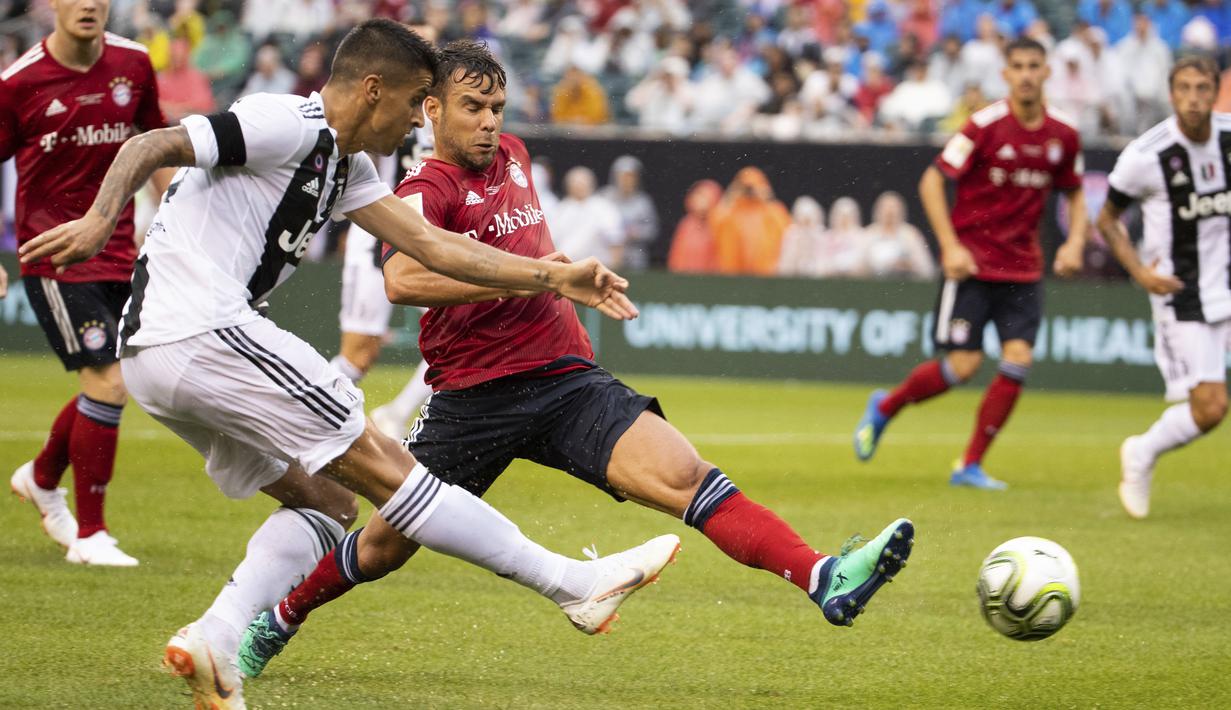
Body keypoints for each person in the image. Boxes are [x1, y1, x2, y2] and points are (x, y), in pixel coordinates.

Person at [19, 21, 673, 709]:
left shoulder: (348, 166)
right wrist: (101, 220)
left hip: (157, 355)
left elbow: (433, 247)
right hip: (200, 330)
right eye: (416, 100)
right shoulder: (285, 122)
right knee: (391, 470)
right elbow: (152, 142)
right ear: (373, 89)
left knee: (329, 503)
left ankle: (216, 635)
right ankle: (572, 584)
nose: (419, 119)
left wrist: (550, 276)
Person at [236, 39, 915, 681]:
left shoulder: (515, 155)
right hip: (472, 398)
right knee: (383, 546)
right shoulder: (426, 188)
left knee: (689, 476)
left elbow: (526, 248)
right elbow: (404, 280)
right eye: (472, 107)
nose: (489, 122)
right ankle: (280, 618)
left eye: (497, 108)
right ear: (432, 109)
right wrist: (533, 279)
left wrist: (556, 272)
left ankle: (823, 576)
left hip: (564, 377)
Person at [853, 37, 1088, 489]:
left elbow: (1075, 192)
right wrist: (950, 246)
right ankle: (885, 406)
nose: (1026, 74)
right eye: (1018, 66)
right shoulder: (983, 126)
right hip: (973, 266)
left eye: (1034, 66)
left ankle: (969, 464)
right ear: (1005, 74)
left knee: (1018, 359)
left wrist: (1075, 242)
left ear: (1046, 72)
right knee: (962, 366)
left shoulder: (1064, 134)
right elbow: (931, 181)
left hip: (1023, 268)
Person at [3, 0, 169, 566]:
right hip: (53, 258)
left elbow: (159, 146)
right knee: (109, 382)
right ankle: (91, 535)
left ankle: (41, 477)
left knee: (121, 380)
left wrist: (182, 221)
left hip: (121, 254)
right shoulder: (18, 83)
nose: (90, 4)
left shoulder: (134, 64)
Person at [1097, 57, 1229, 519]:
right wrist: (1139, 272)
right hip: (1183, 294)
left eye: (1202, 88)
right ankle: (1142, 452)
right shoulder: (1146, 155)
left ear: (1215, 92)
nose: (1193, 98)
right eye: (1184, 89)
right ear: (1171, 95)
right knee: (1210, 409)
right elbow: (1107, 220)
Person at [600, 155, 659, 271]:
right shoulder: (604, 198)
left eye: (631, 176)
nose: (627, 180)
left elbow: (652, 230)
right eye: (623, 176)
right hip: (608, 256)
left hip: (634, 257)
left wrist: (638, 233)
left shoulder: (643, 202)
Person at [862, 191, 936, 280]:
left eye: (894, 207)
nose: (889, 212)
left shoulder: (911, 234)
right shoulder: (868, 234)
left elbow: (927, 268)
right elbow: (857, 267)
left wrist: (908, 266)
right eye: (885, 208)